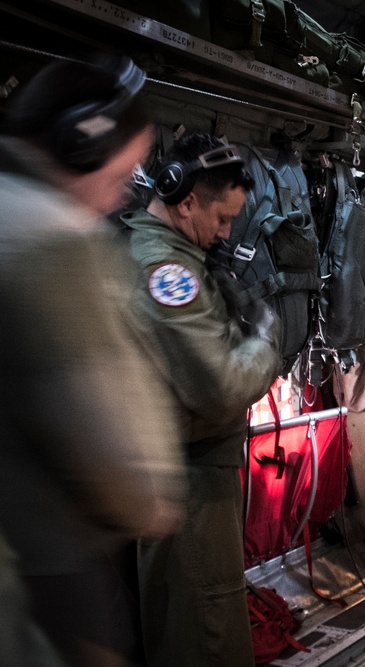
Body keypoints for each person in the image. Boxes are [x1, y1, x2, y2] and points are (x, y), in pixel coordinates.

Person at [0, 53, 185, 666]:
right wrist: (149, 501)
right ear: (83, 142)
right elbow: (89, 419)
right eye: (124, 172)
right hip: (48, 568)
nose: (119, 196)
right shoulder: (52, 240)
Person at [120, 132, 283, 666]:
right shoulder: (166, 270)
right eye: (222, 217)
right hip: (187, 486)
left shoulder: (180, 255)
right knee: (206, 637)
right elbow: (220, 387)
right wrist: (264, 343)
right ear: (184, 199)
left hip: (187, 477)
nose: (226, 231)